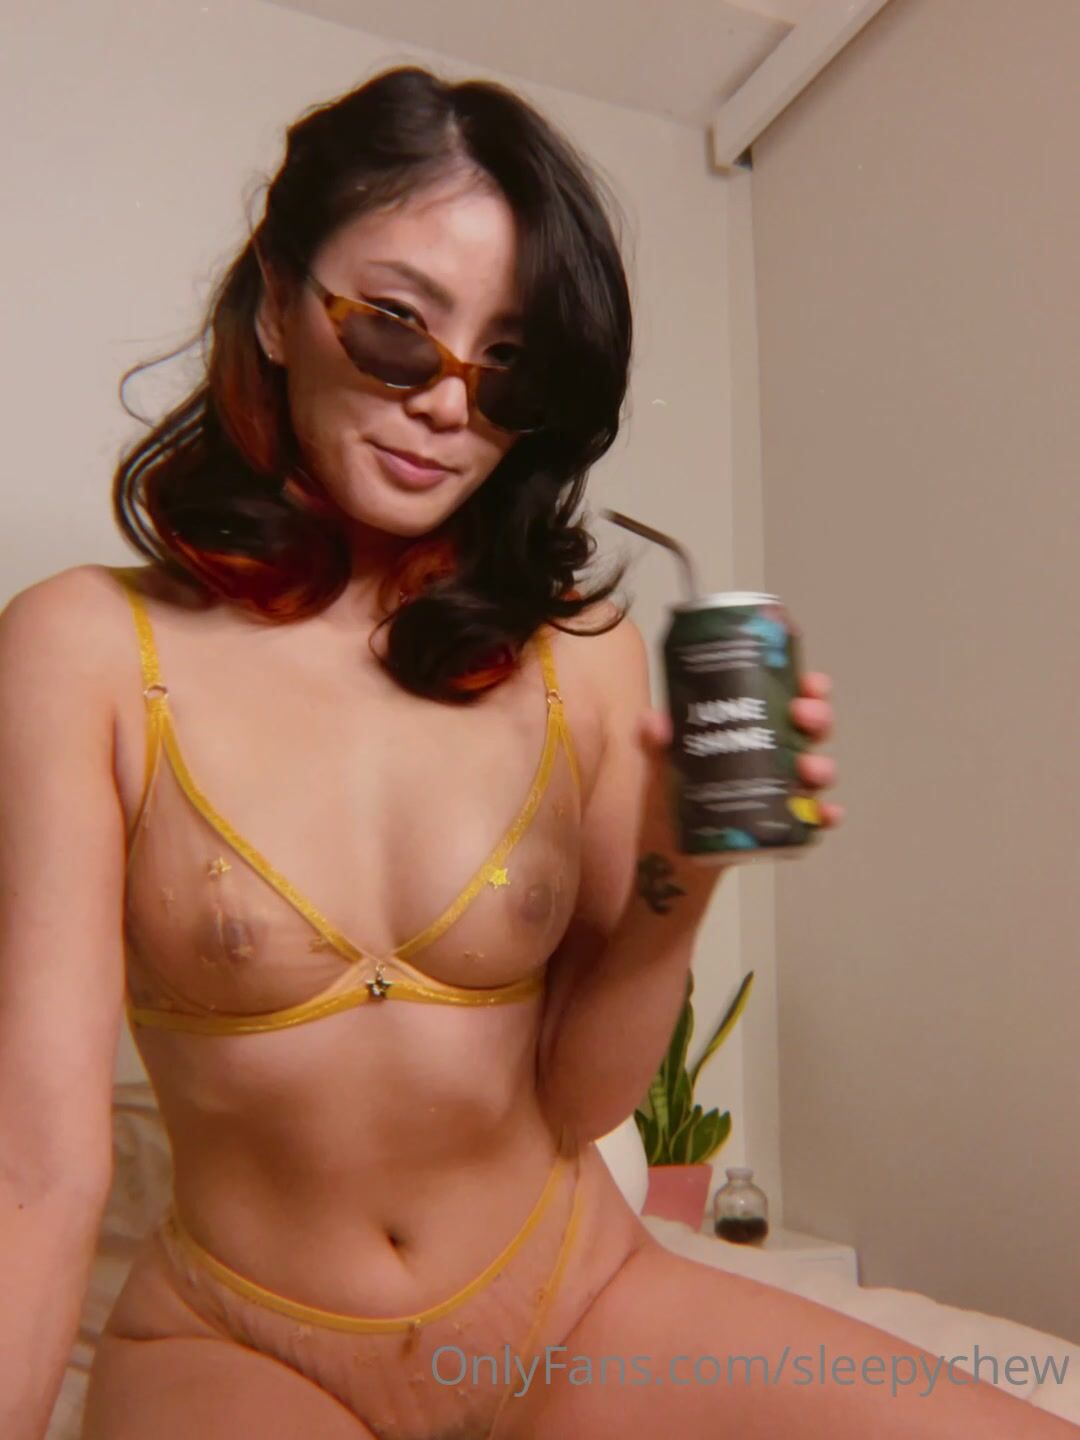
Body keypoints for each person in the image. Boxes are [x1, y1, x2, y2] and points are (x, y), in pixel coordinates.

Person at [0, 64, 1061, 1440]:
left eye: (509, 364)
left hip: (574, 1301)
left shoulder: (580, 657)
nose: (451, 404)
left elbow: (581, 1096)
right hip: (240, 1344)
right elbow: (36, 1169)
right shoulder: (84, 649)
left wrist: (684, 870)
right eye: (398, 328)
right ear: (275, 303)